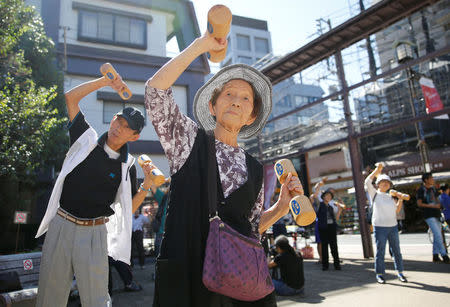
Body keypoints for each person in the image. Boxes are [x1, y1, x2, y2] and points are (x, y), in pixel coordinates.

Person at [145, 28, 303, 306]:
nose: (236, 101)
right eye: (229, 93)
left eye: (245, 99)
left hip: (239, 285)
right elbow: (155, 91)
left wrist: (281, 207)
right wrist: (199, 46)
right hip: (189, 278)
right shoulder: (188, 141)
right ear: (213, 105)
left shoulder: (255, 168)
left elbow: (251, 229)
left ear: (251, 115)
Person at [35, 71, 155, 307]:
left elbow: (127, 208)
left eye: (126, 127)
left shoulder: (127, 166)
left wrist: (146, 187)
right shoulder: (86, 139)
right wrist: (105, 82)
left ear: (135, 135)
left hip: (94, 232)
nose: (118, 128)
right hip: (61, 224)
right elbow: (70, 98)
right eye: (117, 121)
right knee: (50, 296)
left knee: (97, 300)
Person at [365, 164, 407, 284]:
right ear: (378, 184)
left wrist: (400, 199)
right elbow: (367, 181)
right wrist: (376, 171)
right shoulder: (374, 194)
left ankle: (400, 273)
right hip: (379, 227)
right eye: (383, 182)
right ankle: (380, 274)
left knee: (397, 251)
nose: (385, 184)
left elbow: (396, 211)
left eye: (387, 183)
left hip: (393, 227)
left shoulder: (390, 196)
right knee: (380, 251)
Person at [417, 173, 449, 263]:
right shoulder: (421, 190)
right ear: (426, 180)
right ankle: (444, 255)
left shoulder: (433, 188)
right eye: (431, 178)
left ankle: (435, 255)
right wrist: (432, 206)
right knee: (438, 234)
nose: (433, 179)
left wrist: (439, 205)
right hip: (428, 215)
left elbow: (437, 199)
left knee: (436, 234)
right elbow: (419, 203)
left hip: (437, 214)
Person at [311, 188, 342, 271]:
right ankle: (325, 265)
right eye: (326, 196)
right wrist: (319, 186)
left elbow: (336, 218)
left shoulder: (331, 207)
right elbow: (314, 197)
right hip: (323, 228)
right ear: (323, 197)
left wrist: (339, 210)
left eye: (330, 196)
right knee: (324, 246)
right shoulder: (319, 205)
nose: (328, 197)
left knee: (334, 246)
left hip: (331, 227)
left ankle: (337, 264)